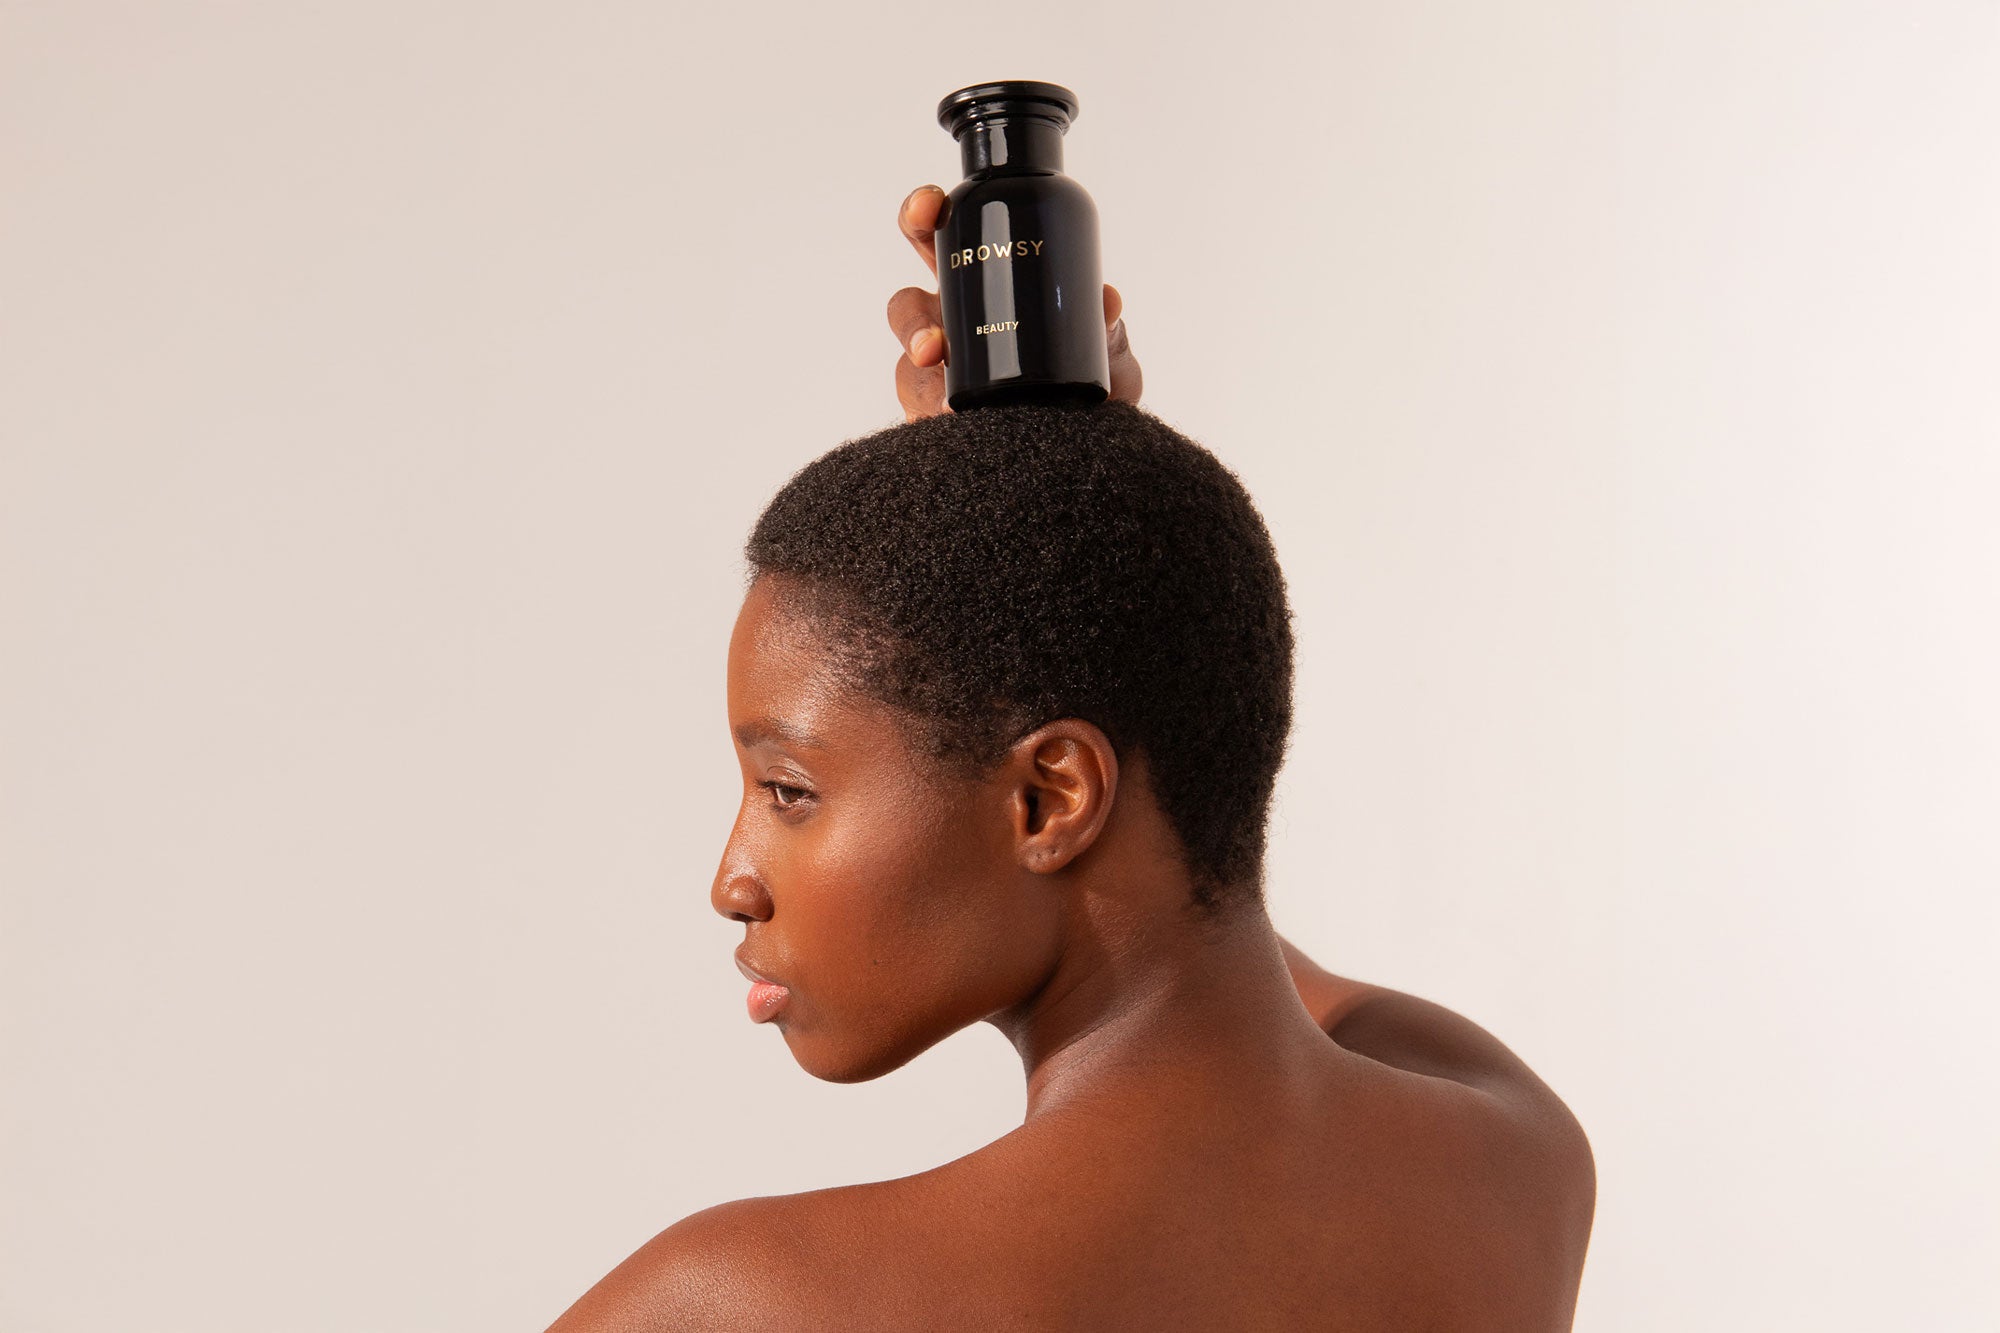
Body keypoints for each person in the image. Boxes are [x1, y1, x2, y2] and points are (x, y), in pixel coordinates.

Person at [544, 186, 1595, 1332]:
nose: (730, 878)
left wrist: (1041, 537)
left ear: (1052, 795)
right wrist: (1085, 523)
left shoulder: (739, 1305)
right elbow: (1194, 885)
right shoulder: (1512, 1151)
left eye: (787, 790)